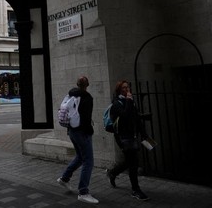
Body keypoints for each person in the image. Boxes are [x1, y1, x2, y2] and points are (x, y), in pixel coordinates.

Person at [56, 76, 99, 204]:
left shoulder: (71, 94)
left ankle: (64, 178)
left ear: (77, 84)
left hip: (71, 131)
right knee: (88, 161)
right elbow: (86, 118)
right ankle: (83, 192)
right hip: (82, 132)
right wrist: (90, 131)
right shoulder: (87, 97)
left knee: (80, 157)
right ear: (88, 84)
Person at [106, 80, 149, 201]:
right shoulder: (116, 103)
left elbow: (135, 117)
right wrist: (129, 101)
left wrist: (143, 133)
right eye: (124, 88)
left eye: (128, 87)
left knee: (130, 161)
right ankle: (135, 190)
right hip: (123, 137)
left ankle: (113, 173)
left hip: (132, 135)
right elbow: (124, 116)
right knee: (133, 163)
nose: (127, 90)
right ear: (119, 90)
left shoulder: (130, 101)